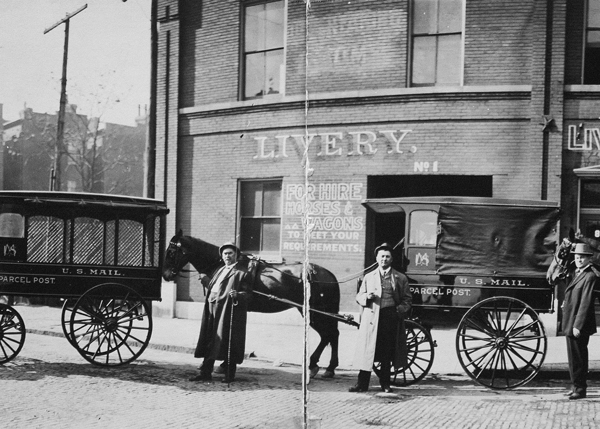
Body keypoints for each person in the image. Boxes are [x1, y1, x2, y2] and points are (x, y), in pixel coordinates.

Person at [350, 243, 412, 393]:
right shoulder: (369, 277)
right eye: (382, 256)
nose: (384, 259)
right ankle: (362, 384)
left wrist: (399, 310)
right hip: (371, 318)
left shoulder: (400, 278)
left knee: (386, 352)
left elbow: (407, 300)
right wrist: (367, 297)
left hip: (389, 317)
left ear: (391, 259)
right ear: (377, 258)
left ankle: (385, 383)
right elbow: (359, 296)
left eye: (387, 256)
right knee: (367, 351)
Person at [189, 242, 252, 383]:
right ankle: (205, 373)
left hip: (228, 311)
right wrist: (205, 280)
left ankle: (229, 375)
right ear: (222, 256)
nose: (227, 256)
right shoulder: (219, 270)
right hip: (212, 308)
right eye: (225, 254)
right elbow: (215, 287)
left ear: (236, 255)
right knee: (210, 338)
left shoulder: (242, 273)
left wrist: (238, 294)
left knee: (228, 340)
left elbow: (249, 295)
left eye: (230, 253)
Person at [561, 242, 599, 400]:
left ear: (589, 259)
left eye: (582, 258)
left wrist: (578, 325)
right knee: (573, 358)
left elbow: (586, 302)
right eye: (577, 257)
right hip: (571, 320)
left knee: (579, 358)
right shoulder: (577, 273)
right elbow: (573, 293)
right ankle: (575, 385)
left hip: (578, 323)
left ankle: (581, 389)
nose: (579, 260)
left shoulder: (590, 276)